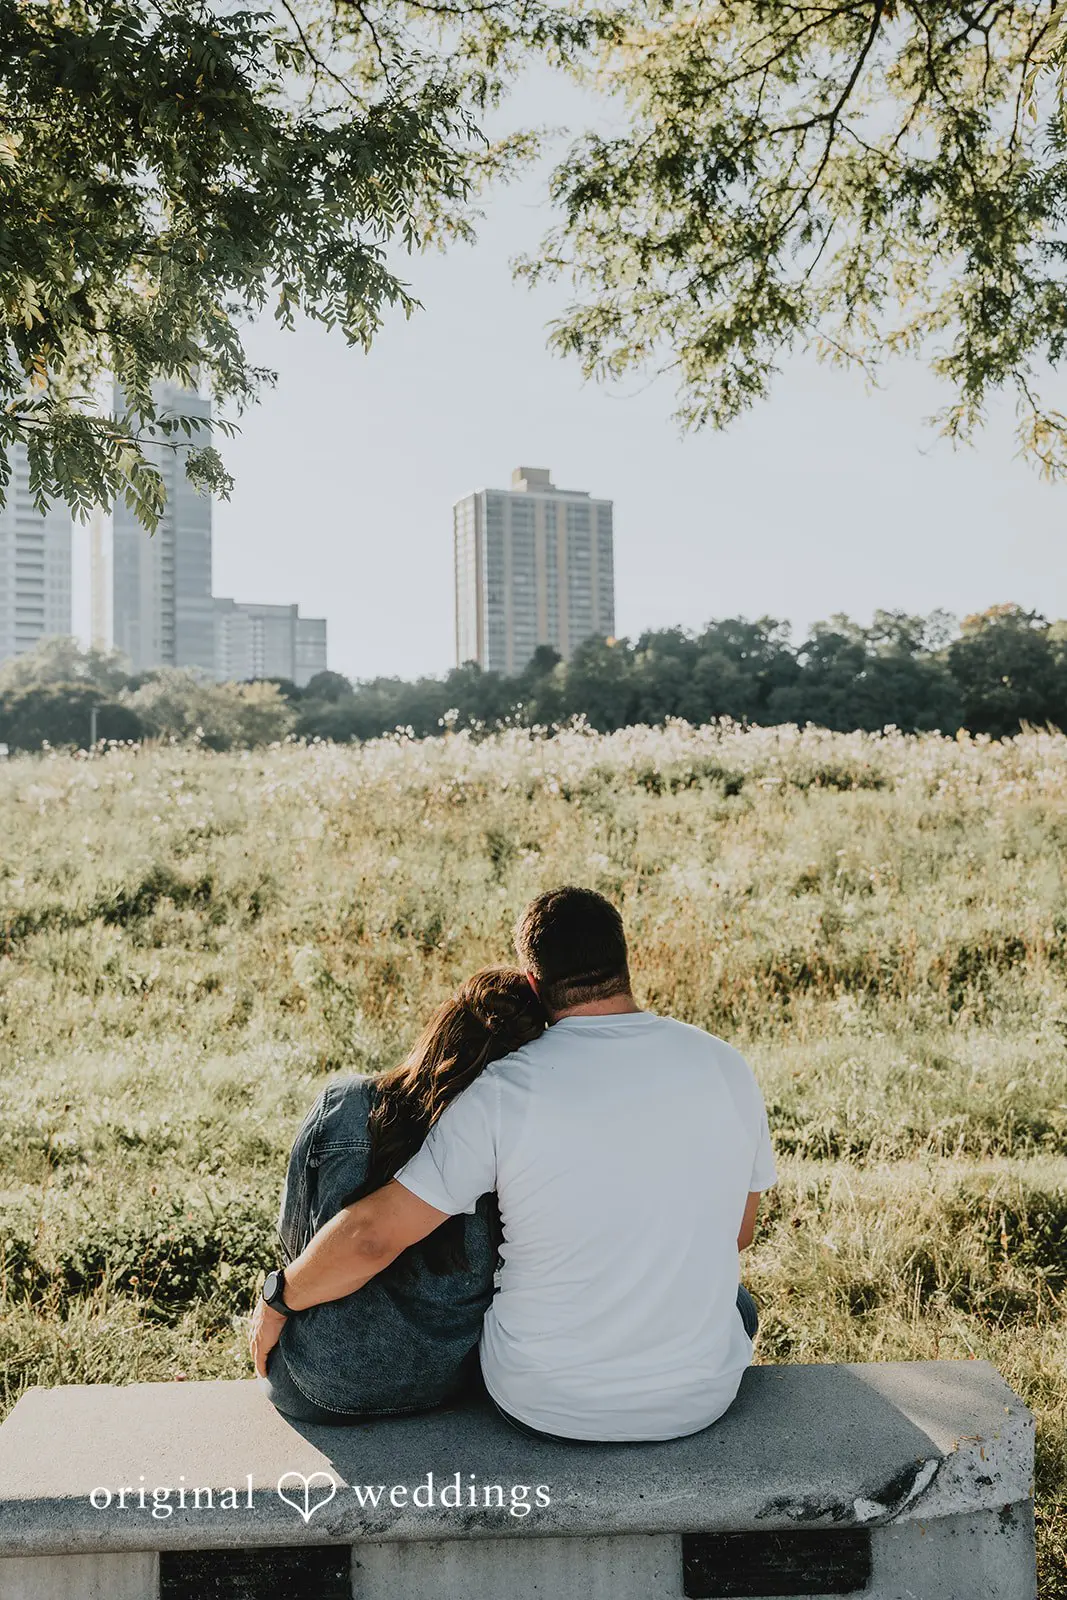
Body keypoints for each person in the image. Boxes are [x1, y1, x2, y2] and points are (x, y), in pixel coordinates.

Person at [250, 886, 777, 1443]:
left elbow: (372, 1237)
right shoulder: (726, 1065)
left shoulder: (505, 1088)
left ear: (533, 982)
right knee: (735, 1304)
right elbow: (737, 1234)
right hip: (701, 1399)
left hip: (544, 1402)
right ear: (627, 963)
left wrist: (278, 1296)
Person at [259, 967, 546, 1422]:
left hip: (322, 1383)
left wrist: (275, 1303)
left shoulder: (347, 1105)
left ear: (441, 1024)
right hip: (456, 1380)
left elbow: (295, 1236)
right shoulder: (511, 1134)